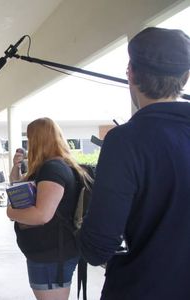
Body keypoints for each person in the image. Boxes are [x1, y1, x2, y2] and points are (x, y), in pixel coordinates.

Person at [78, 27, 190, 300]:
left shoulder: (125, 141)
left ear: (130, 72)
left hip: (143, 287)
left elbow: (97, 247)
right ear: (185, 78)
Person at [6, 118, 92, 300]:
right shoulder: (57, 166)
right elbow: (17, 184)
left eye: (30, 139)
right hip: (52, 251)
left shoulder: (52, 170)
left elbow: (42, 215)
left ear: (38, 140)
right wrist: (16, 165)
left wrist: (11, 212)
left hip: (51, 254)